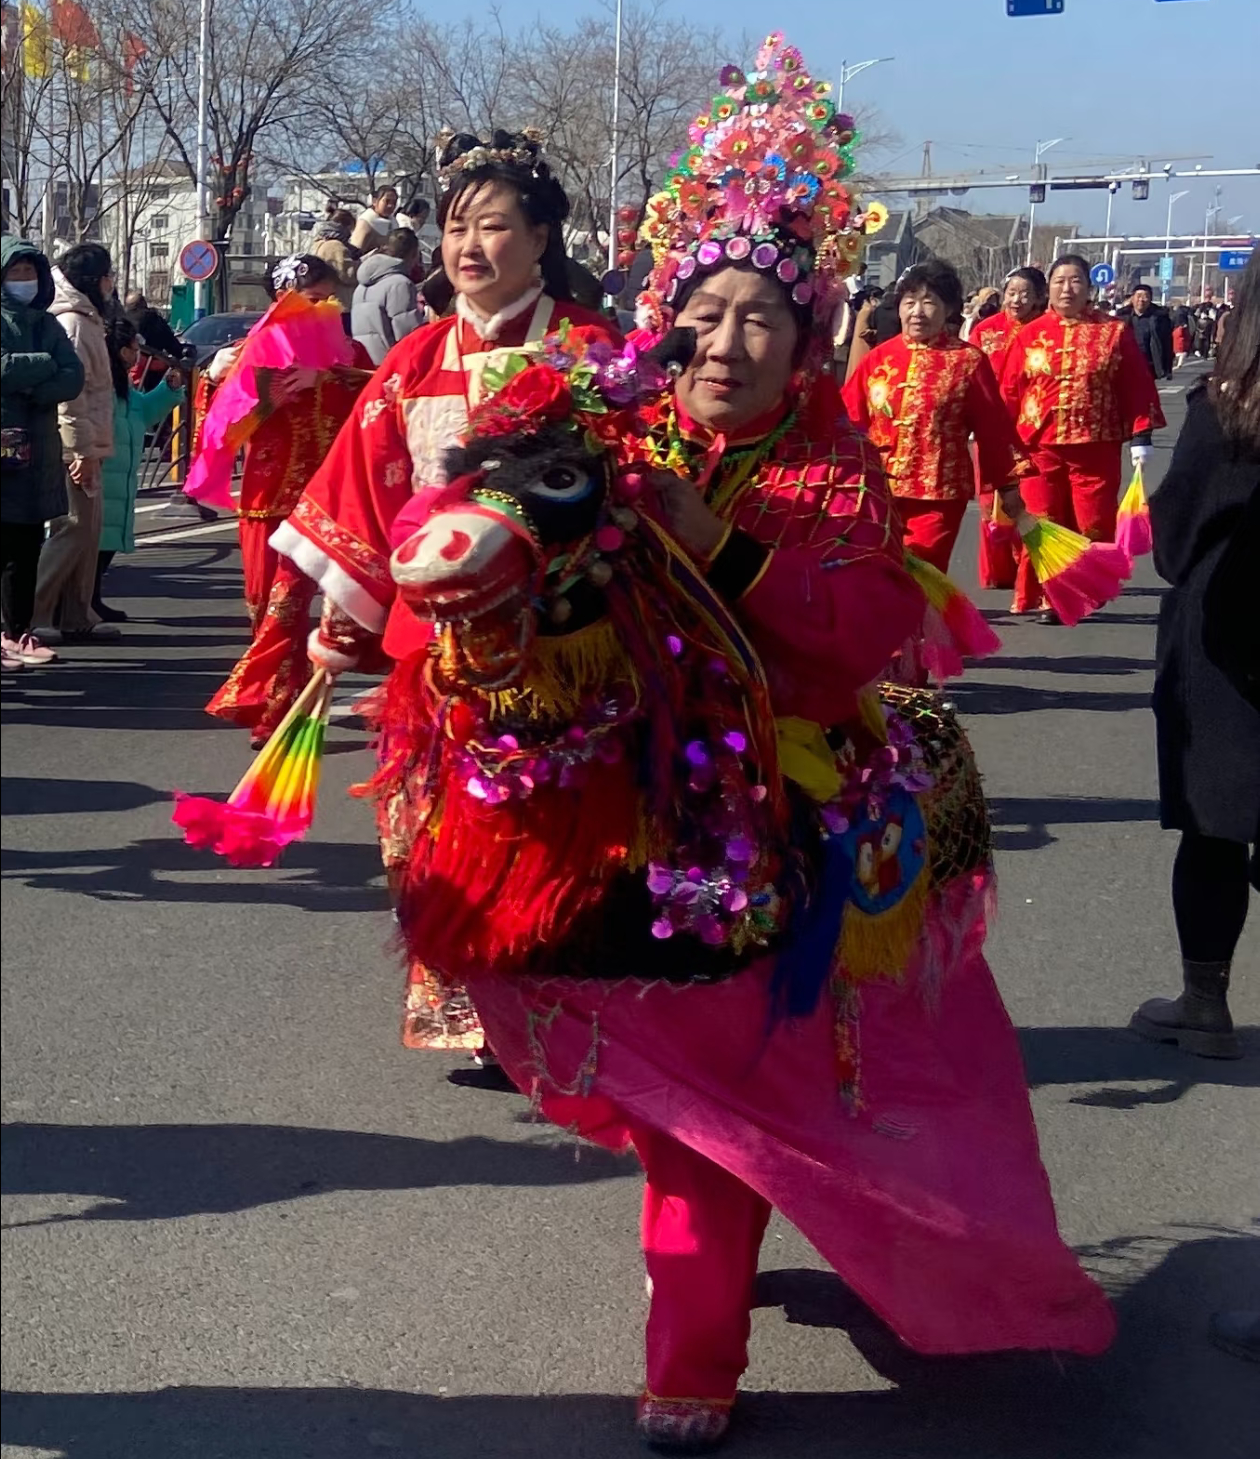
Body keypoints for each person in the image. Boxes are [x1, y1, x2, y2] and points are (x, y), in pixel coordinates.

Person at [293, 46, 1114, 1453]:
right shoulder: (596, 418)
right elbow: (474, 520)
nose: (727, 345)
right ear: (665, 325)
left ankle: (695, 1348)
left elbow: (858, 630)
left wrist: (713, 540)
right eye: (705, 316)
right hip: (606, 802)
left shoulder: (827, 468)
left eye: (760, 322)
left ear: (808, 344)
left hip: (765, 817)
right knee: (666, 1082)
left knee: (735, 1103)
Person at [214, 128, 620, 1048]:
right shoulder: (414, 361)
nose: (470, 245)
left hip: (560, 643)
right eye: (457, 227)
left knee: (554, 831)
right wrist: (334, 622)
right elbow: (359, 495)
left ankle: (554, 1015)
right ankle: (470, 1014)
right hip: (430, 652)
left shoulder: (588, 351)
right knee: (435, 829)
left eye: (494, 226)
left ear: (542, 237)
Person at [1131, 249, 1259, 1061]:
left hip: (1225, 641)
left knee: (1216, 830)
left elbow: (1175, 541)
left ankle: (1205, 1001)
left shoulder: (1225, 406)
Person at [205, 254, 374, 743]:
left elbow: (380, 400)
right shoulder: (249, 351)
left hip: (328, 499)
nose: (325, 309)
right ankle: (280, 705)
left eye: (330, 299)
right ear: (283, 300)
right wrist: (214, 380)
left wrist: (329, 378)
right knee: (267, 609)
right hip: (267, 496)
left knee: (310, 608)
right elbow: (218, 430)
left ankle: (278, 711)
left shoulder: (350, 354)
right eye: (313, 299)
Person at [1000, 253, 1165, 622]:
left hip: (1096, 446)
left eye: (1075, 281)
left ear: (1089, 288)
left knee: (1093, 522)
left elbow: (1135, 385)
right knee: (1042, 520)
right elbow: (1010, 390)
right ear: (1048, 289)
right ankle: (1052, 596)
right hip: (1038, 446)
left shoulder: (1113, 332)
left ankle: (1083, 589)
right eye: (1059, 281)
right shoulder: (1029, 335)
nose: (1067, 289)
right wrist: (999, 438)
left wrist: (1141, 435)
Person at [842, 259, 1029, 576]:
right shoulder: (878, 359)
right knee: (874, 573)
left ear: (948, 309)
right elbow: (847, 420)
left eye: (929, 302)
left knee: (920, 574)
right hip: (877, 491)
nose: (917, 312)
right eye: (909, 302)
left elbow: (993, 429)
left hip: (939, 494)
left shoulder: (968, 361)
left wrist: (1008, 486)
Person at [1, 236, 84, 670]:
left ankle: (18, 632)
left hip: (40, 451)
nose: (23, 280)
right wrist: (43, 364)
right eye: (14, 272)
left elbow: (73, 376)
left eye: (29, 272)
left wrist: (32, 384)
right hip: (4, 444)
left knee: (28, 546)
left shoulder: (48, 324)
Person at [31, 242, 119, 643]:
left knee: (88, 529)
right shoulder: (73, 323)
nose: (111, 284)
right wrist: (80, 450)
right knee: (73, 527)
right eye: (108, 276)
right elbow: (72, 396)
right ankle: (33, 612)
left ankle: (76, 613)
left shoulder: (85, 318)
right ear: (93, 279)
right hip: (74, 444)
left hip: (89, 440)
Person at [94, 317, 187, 622]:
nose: (138, 354)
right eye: (135, 347)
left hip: (119, 475)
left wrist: (167, 391)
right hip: (102, 472)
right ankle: (79, 604)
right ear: (122, 351)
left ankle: (90, 601)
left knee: (103, 546)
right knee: (92, 546)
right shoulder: (99, 383)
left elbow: (142, 413)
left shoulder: (122, 385)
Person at [968, 266, 1048, 593]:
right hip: (990, 424)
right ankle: (998, 569)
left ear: (1039, 297)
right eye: (1011, 293)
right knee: (990, 499)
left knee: (1028, 497)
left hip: (1032, 428)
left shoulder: (1046, 331)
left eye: (1025, 294)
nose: (1017, 300)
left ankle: (1028, 565)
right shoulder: (986, 330)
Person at [350, 227, 423, 365]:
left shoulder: (361, 286)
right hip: (391, 364)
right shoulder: (400, 284)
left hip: (364, 360)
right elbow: (408, 332)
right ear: (413, 254)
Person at [122, 290, 185, 389]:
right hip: (150, 375)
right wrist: (181, 354)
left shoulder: (121, 322)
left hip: (123, 373)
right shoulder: (154, 320)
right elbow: (171, 343)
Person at [1117, 284, 1174, 380]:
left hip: (1149, 362)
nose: (1141, 300)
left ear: (1150, 299)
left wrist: (1168, 368)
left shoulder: (1160, 318)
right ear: (1132, 298)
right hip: (1127, 361)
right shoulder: (1122, 317)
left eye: (1145, 297)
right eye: (1138, 296)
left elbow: (1167, 343)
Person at [309, 209, 360, 310]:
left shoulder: (320, 242)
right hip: (340, 302)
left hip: (329, 301)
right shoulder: (334, 246)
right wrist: (363, 264)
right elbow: (347, 273)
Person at [349, 185, 398, 256]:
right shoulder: (366, 222)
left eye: (394, 202)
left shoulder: (394, 221)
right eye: (387, 201)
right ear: (375, 201)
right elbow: (356, 251)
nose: (390, 205)